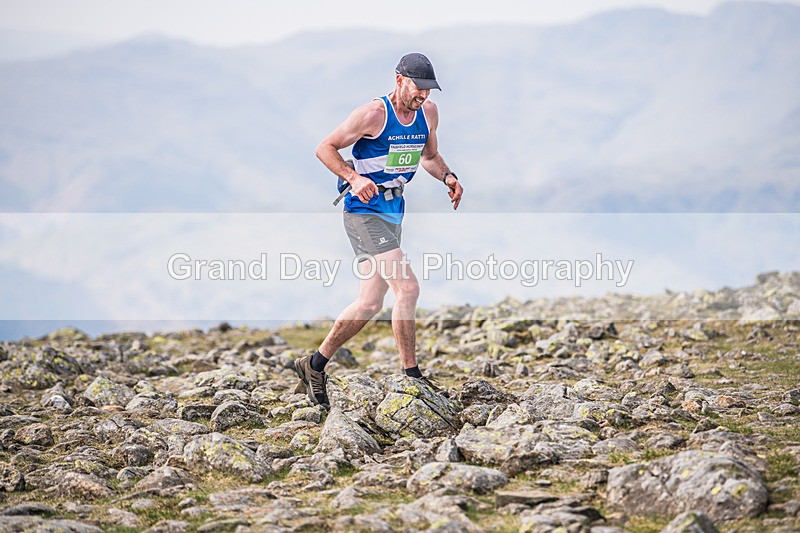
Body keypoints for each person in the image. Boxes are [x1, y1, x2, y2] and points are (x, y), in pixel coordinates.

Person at [293, 53, 463, 408]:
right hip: (363, 212)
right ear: (399, 79)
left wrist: (448, 176)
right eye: (419, 88)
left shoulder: (427, 114)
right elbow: (325, 147)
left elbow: (429, 157)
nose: (424, 97)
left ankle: (314, 364)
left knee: (370, 302)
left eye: (429, 90)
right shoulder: (373, 114)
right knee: (408, 287)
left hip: (393, 210)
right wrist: (353, 178)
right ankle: (412, 377)